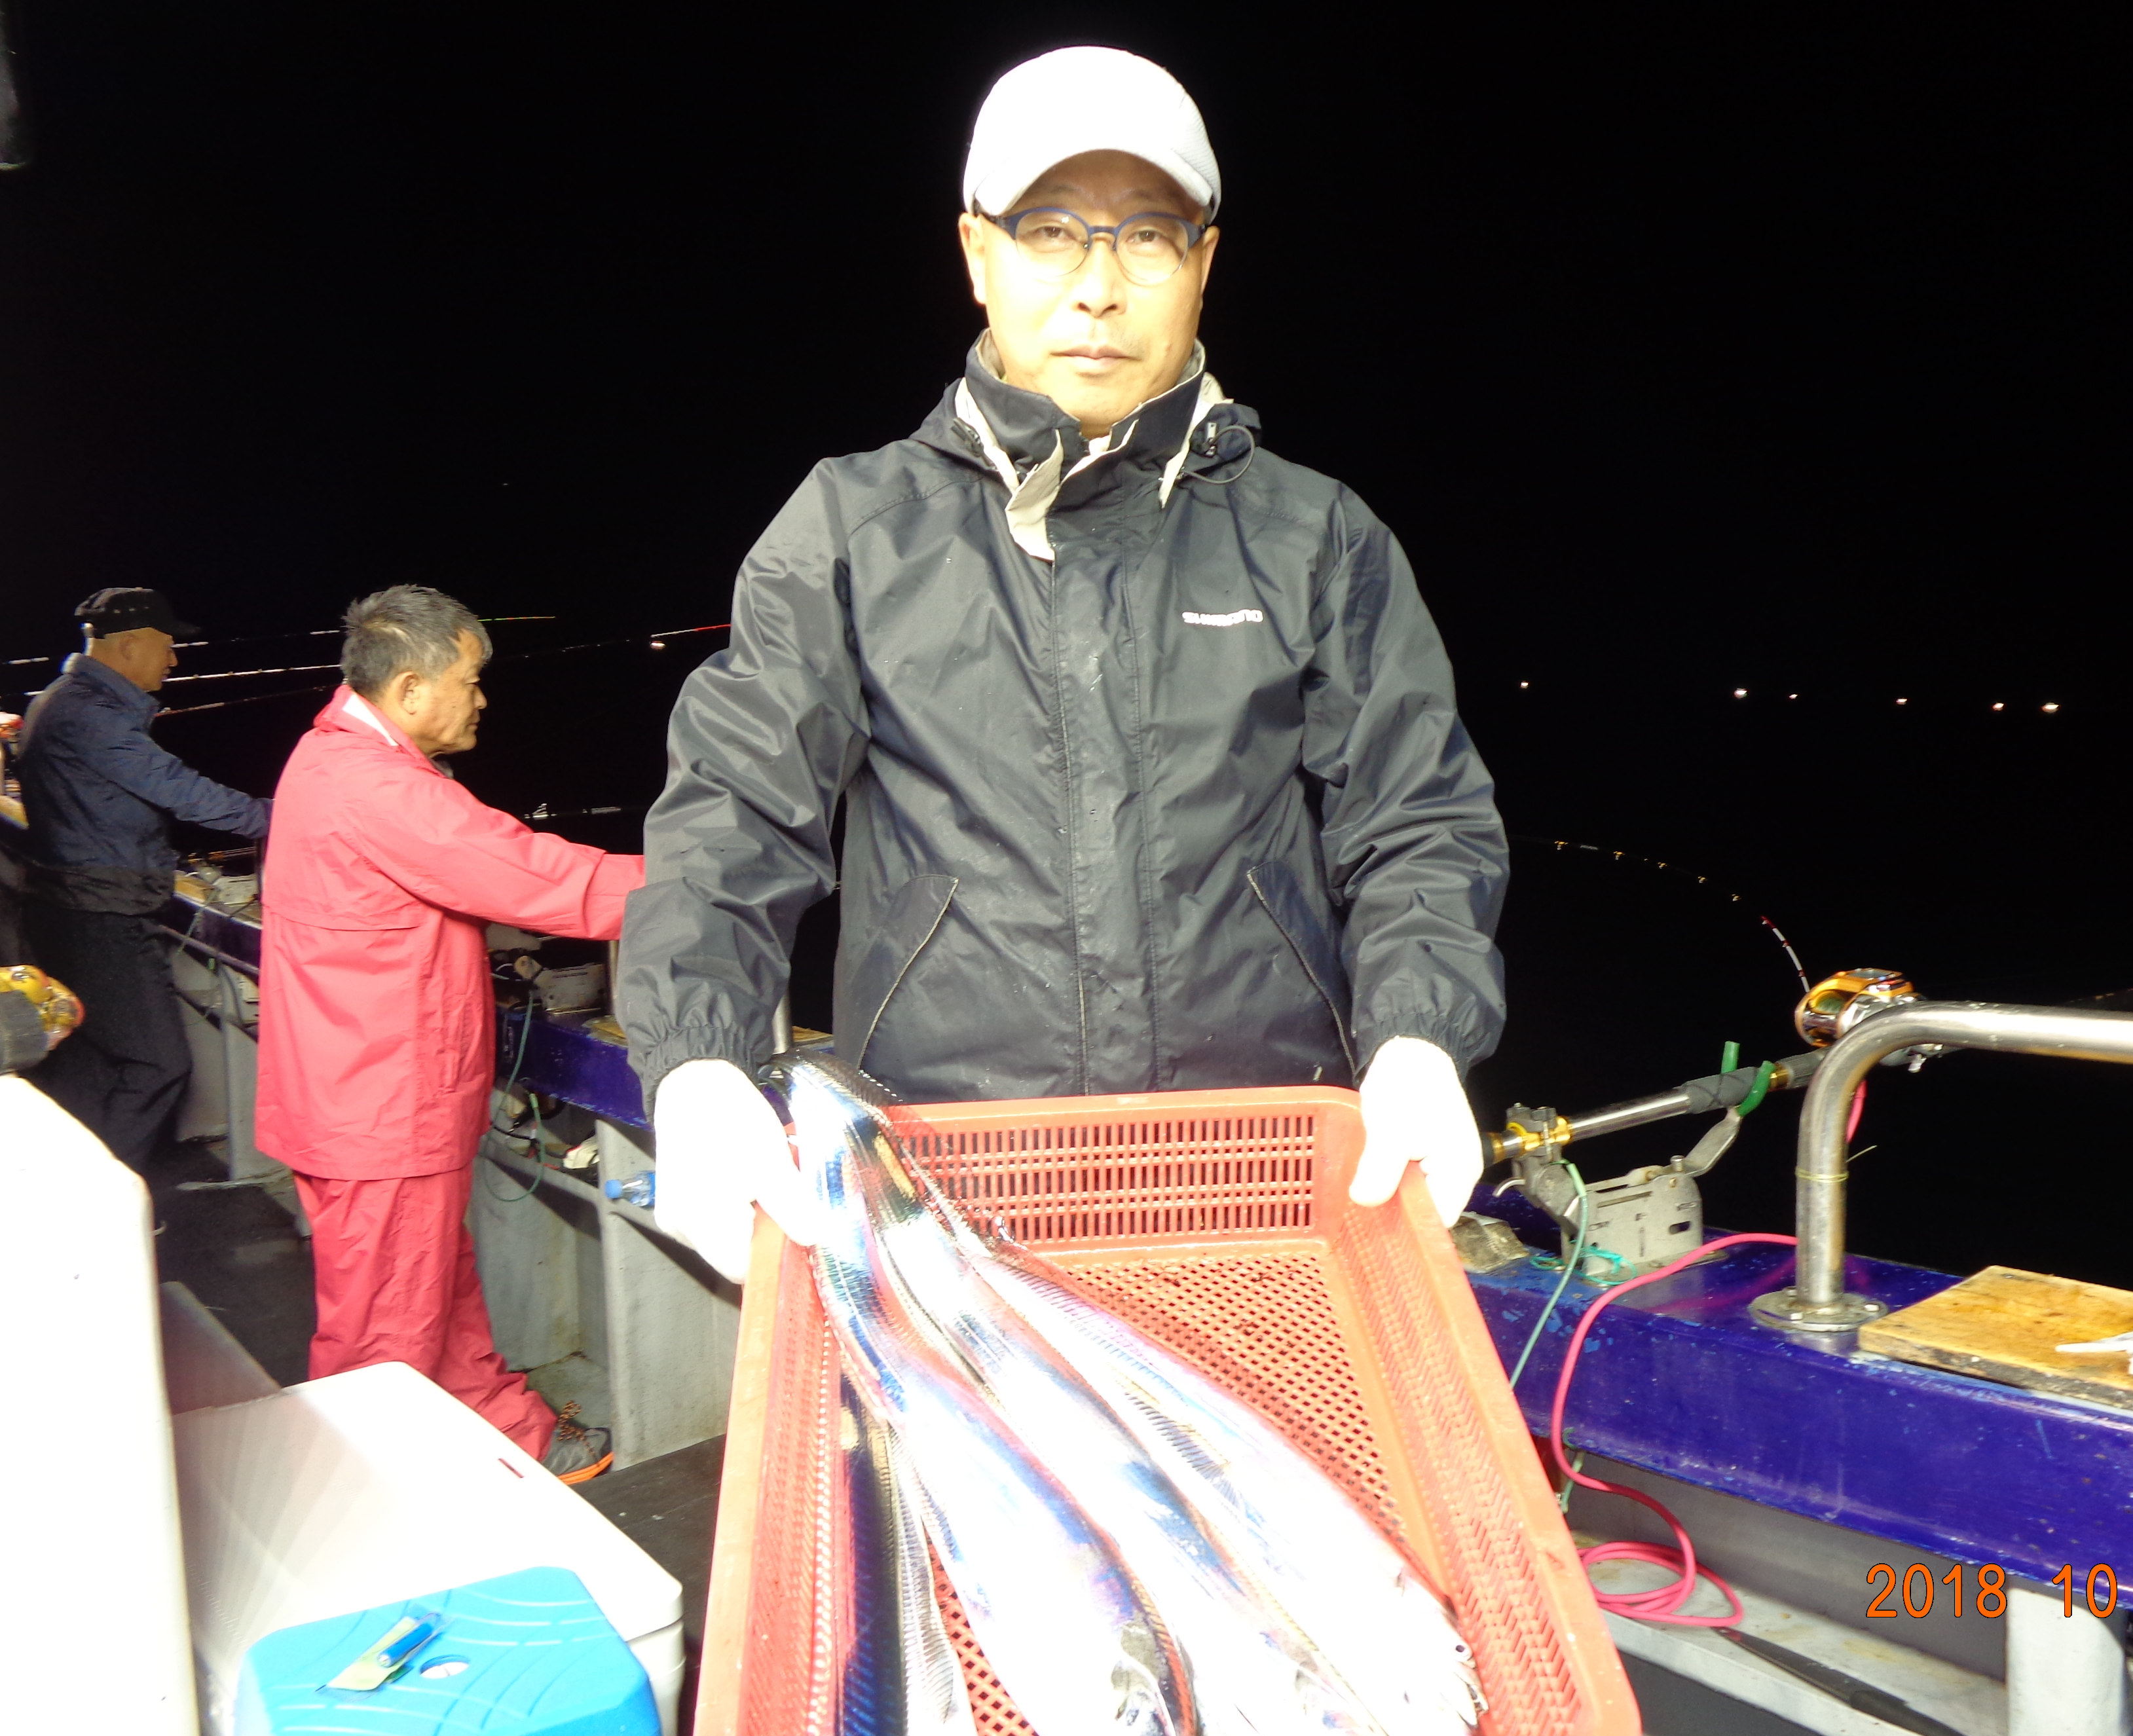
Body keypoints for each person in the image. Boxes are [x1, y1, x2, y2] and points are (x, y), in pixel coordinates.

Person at [618, 48, 1508, 1280]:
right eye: (1048, 231)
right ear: (976, 254)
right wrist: (698, 1057)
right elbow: (733, 814)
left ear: (1202, 262)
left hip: (1260, 1177)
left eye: (1146, 236)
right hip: (940, 1184)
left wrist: (1418, 1035)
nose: (1097, 288)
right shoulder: (850, 529)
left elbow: (1418, 821)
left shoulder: (1318, 537)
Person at [255, 585, 642, 1479]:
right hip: (380, 1105)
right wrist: (695, 884)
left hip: (362, 1091)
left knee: (436, 1284)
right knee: (381, 1337)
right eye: (469, 680)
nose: (482, 699)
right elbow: (533, 876)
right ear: (410, 690)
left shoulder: (329, 755)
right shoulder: (375, 785)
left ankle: (511, 1429)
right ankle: (366, 1503)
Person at [13, 587, 272, 1175]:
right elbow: (186, 793)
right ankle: (101, 1201)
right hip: (99, 918)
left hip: (67, 909)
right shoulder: (92, 716)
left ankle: (68, 1188)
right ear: (130, 646)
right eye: (167, 645)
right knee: (158, 1065)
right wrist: (290, 814)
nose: (174, 660)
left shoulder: (55, 701)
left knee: (91, 1067)